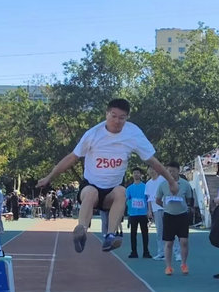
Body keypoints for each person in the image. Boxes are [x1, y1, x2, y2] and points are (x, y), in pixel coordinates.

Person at [36, 99, 178, 253]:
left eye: (122, 118)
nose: (117, 121)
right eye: (113, 116)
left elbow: (152, 160)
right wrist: (49, 177)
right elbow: (72, 157)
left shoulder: (133, 134)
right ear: (106, 114)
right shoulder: (93, 134)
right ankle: (81, 230)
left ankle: (110, 235)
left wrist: (171, 181)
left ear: (127, 118)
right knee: (91, 193)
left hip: (112, 190)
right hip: (91, 185)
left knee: (122, 192)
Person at [156, 161, 194, 275]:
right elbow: (158, 199)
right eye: (169, 171)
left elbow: (190, 198)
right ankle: (168, 267)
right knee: (169, 243)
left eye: (173, 171)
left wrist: (188, 207)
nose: (171, 173)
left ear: (178, 171)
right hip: (169, 216)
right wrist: (165, 206)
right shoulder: (163, 185)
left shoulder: (185, 184)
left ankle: (184, 264)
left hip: (182, 216)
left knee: (184, 241)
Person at [126, 167, 151, 258]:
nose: (136, 174)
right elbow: (126, 199)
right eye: (134, 173)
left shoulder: (145, 187)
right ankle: (134, 252)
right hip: (133, 214)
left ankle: (146, 252)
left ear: (141, 175)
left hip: (143, 214)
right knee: (133, 234)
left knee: (145, 233)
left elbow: (148, 200)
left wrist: (149, 211)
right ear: (132, 175)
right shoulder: (129, 188)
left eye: (138, 173)